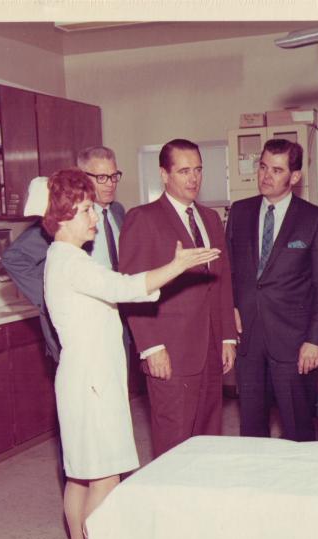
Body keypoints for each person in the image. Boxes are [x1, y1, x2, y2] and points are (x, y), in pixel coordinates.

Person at [42, 168, 220, 539]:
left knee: (80, 475)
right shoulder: (73, 263)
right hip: (93, 382)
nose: (94, 217)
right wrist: (175, 266)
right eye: (86, 210)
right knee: (105, 476)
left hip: (81, 378)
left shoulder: (60, 258)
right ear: (65, 216)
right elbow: (126, 287)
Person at [118, 139, 238, 458]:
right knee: (174, 442)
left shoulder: (210, 219)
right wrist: (151, 347)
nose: (193, 178)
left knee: (209, 439)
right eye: (184, 171)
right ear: (164, 174)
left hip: (210, 349)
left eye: (198, 169)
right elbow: (132, 290)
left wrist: (227, 337)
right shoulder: (143, 218)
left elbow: (221, 282)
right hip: (170, 351)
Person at [226, 139, 318, 441]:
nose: (265, 176)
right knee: (252, 430)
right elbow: (230, 272)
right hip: (249, 339)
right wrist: (229, 310)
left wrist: (315, 340)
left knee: (298, 430)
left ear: (294, 177)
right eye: (262, 167)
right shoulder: (241, 212)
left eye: (277, 169)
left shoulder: (314, 219)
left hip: (294, 343)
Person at [1, 146, 127, 362]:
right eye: (102, 177)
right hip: (78, 328)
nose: (110, 184)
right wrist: (48, 294)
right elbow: (14, 258)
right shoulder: (65, 218)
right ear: (82, 178)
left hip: (114, 321)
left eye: (114, 176)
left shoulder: (117, 211)